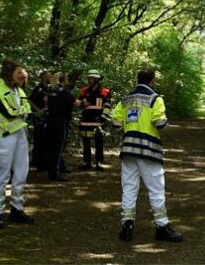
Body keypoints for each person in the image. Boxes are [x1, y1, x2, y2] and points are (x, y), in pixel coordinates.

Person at [111, 69, 183, 243]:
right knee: (156, 189)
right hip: (148, 150)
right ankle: (162, 227)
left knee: (128, 188)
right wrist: (167, 125)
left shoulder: (125, 99)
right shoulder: (155, 99)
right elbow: (159, 122)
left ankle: (126, 226)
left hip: (128, 150)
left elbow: (115, 124)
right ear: (153, 81)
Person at [0, 59, 34, 229]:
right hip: (5, 136)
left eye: (23, 73)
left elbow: (27, 113)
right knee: (3, 175)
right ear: (10, 74)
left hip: (21, 134)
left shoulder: (20, 90)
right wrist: (22, 112)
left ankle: (17, 209)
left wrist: (22, 112)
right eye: (19, 73)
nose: (23, 76)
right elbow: (8, 113)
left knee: (22, 173)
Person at [46, 72, 80, 181]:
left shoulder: (50, 91)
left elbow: (45, 101)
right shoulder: (65, 92)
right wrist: (83, 102)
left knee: (51, 147)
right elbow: (76, 103)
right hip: (60, 121)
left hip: (50, 120)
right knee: (58, 147)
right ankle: (55, 173)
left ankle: (52, 171)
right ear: (63, 80)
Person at [78, 69, 111, 170]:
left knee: (98, 142)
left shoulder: (105, 92)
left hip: (98, 120)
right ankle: (87, 162)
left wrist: (103, 118)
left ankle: (99, 162)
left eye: (91, 78)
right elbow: (78, 103)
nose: (89, 80)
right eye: (88, 78)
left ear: (97, 79)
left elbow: (108, 106)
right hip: (86, 120)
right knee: (86, 142)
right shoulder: (84, 90)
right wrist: (82, 104)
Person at [29, 71, 52, 171]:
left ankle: (44, 161)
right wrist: (38, 110)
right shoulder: (39, 88)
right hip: (39, 118)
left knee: (45, 139)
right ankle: (37, 162)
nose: (51, 77)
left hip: (47, 117)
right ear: (43, 77)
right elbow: (30, 100)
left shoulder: (48, 88)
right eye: (49, 76)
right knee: (39, 139)